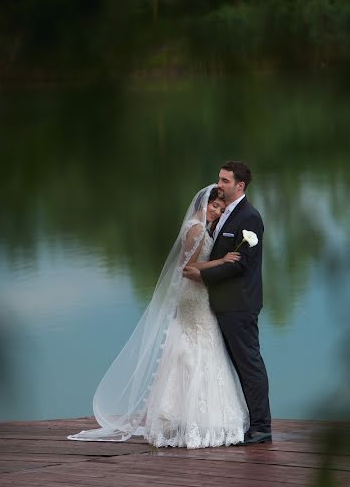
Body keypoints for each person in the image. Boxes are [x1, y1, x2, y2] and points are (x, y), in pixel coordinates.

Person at [68, 185, 250, 448]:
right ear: (203, 204)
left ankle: (188, 416)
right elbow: (187, 268)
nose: (217, 212)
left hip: (197, 294)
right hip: (194, 295)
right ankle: (194, 419)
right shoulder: (197, 229)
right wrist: (222, 262)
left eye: (221, 209)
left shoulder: (198, 226)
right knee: (198, 347)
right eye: (214, 206)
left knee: (195, 347)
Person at [183, 161, 272, 445]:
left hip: (240, 303)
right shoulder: (220, 215)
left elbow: (243, 265)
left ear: (240, 185)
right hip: (219, 303)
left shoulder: (250, 218)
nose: (219, 185)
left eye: (224, 180)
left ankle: (261, 426)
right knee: (231, 364)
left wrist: (202, 275)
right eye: (219, 179)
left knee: (249, 364)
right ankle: (244, 421)